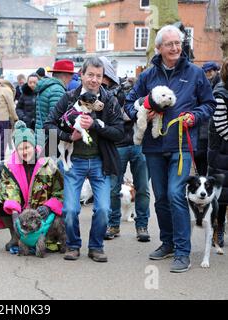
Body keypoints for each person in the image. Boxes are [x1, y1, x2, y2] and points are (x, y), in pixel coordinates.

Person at [125, 25, 216, 273]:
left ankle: (182, 251)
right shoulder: (147, 75)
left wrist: (194, 117)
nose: (175, 48)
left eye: (178, 43)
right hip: (154, 146)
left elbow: (209, 104)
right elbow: (128, 103)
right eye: (170, 44)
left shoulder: (196, 73)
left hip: (182, 145)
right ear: (159, 48)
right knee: (161, 197)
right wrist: (141, 112)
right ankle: (167, 242)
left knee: (176, 195)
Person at [44, 57, 124, 263]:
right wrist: (68, 136)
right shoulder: (69, 97)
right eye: (90, 75)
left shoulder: (110, 100)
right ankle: (73, 245)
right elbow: (49, 124)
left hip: (100, 162)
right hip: (74, 161)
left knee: (104, 210)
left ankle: (96, 247)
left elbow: (119, 133)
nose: (94, 80)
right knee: (70, 209)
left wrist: (96, 125)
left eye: (98, 76)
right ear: (82, 74)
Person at [0, 120, 64, 252]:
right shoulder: (9, 167)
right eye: (20, 148)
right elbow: (9, 189)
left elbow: (60, 192)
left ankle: (49, 237)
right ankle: (16, 235)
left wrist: (49, 207)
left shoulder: (49, 165)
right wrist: (14, 212)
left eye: (27, 147)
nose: (24, 152)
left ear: (34, 146)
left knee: (59, 216)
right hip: (22, 209)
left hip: (42, 210)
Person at [98, 57, 151, 243]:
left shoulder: (131, 88)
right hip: (117, 145)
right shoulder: (103, 93)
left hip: (139, 143)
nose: (101, 79)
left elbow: (135, 111)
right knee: (113, 188)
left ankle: (142, 225)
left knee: (143, 188)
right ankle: (113, 224)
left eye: (103, 74)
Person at [208, 59, 228, 248]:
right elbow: (221, 126)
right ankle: (218, 229)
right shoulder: (220, 93)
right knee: (221, 197)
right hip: (222, 152)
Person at [35, 59, 74, 153]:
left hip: (41, 135)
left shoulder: (48, 86)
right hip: (51, 139)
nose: (71, 79)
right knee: (51, 165)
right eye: (71, 76)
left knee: (43, 165)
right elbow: (58, 120)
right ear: (65, 76)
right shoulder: (57, 90)